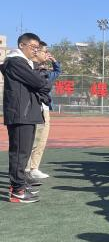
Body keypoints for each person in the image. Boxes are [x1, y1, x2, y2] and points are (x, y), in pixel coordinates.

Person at [1, 33, 51, 203]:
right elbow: (39, 83)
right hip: (21, 114)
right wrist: (42, 83)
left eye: (37, 48)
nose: (36, 51)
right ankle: (17, 191)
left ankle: (19, 184)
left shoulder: (25, 63)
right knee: (19, 153)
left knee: (23, 152)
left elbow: (39, 83)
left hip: (26, 113)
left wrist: (41, 83)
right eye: (33, 47)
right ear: (22, 45)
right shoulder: (16, 62)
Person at [26, 41, 62, 180]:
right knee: (31, 141)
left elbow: (57, 72)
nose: (47, 54)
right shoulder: (28, 68)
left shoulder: (46, 72)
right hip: (32, 108)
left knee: (41, 141)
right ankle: (26, 169)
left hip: (44, 109)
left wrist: (55, 61)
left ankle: (34, 168)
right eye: (45, 52)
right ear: (36, 52)